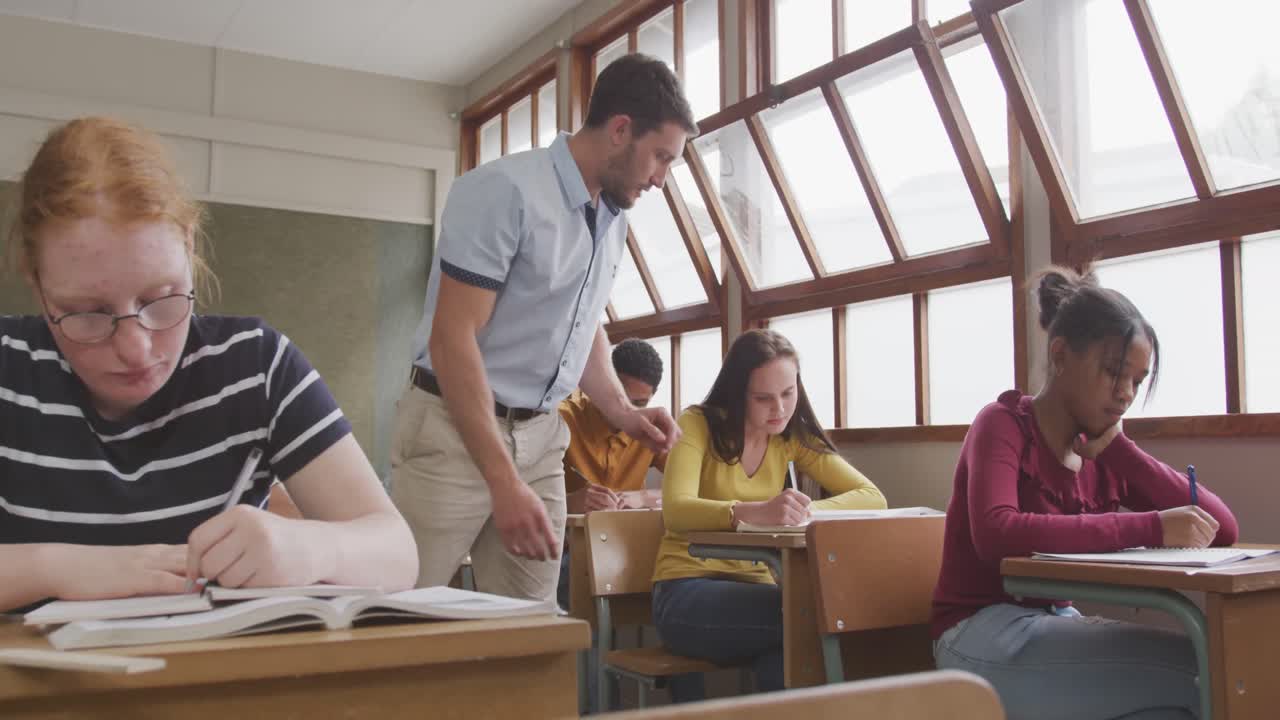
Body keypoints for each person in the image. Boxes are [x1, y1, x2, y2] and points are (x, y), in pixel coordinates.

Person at [0, 117, 418, 613]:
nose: (136, 348)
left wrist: (310, 548)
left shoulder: (257, 365)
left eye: (161, 299)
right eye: (88, 313)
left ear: (190, 245)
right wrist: (53, 567)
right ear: (37, 284)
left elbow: (398, 554)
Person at [391, 53, 697, 602]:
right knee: (397, 614)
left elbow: (581, 323)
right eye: (660, 157)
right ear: (620, 130)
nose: (661, 179)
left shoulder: (612, 218)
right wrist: (501, 480)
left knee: (530, 626)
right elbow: (452, 340)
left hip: (540, 441)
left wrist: (623, 413)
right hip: (452, 431)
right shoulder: (504, 191)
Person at [931, 266, 1239, 720]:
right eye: (1113, 372)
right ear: (1060, 355)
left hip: (1054, 624)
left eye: (1137, 381)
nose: (1125, 394)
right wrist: (1152, 527)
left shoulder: (1104, 453)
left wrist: (1122, 451)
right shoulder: (1001, 424)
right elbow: (997, 533)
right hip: (979, 634)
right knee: (1210, 668)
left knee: (1178, 708)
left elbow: (1222, 529)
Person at [651, 329, 886, 698]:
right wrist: (754, 512)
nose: (779, 409)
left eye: (788, 393)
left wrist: (797, 511)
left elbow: (872, 497)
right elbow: (676, 511)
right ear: (737, 393)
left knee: (787, 651)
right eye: (763, 398)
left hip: (761, 588)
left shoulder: (790, 436)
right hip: (685, 590)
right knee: (807, 616)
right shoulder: (697, 422)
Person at [556, 337, 667, 610]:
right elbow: (520, 496)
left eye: (640, 403)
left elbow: (692, 491)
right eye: (622, 400)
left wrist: (642, 498)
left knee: (675, 576)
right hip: (569, 551)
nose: (629, 412)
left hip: (628, 548)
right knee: (574, 574)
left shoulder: (652, 430)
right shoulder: (560, 420)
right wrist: (571, 502)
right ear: (605, 386)